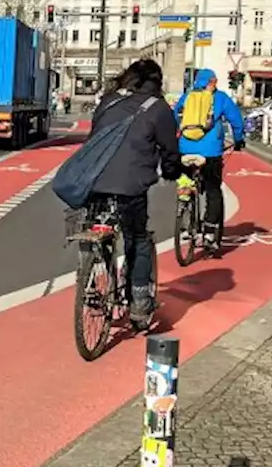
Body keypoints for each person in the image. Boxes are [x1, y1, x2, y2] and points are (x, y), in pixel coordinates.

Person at [87, 59, 181, 327]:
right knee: (137, 237)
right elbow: (170, 150)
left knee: (99, 226)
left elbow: (94, 137)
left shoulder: (109, 101)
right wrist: (172, 171)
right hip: (131, 185)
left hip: (93, 180)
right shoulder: (159, 108)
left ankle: (92, 280)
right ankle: (139, 303)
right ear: (157, 82)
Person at [173, 68, 246, 253]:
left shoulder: (187, 97)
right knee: (213, 190)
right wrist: (238, 139)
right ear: (212, 82)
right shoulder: (220, 98)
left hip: (185, 149)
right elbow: (236, 120)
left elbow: (175, 116)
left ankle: (184, 212)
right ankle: (210, 233)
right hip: (210, 152)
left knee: (186, 180)